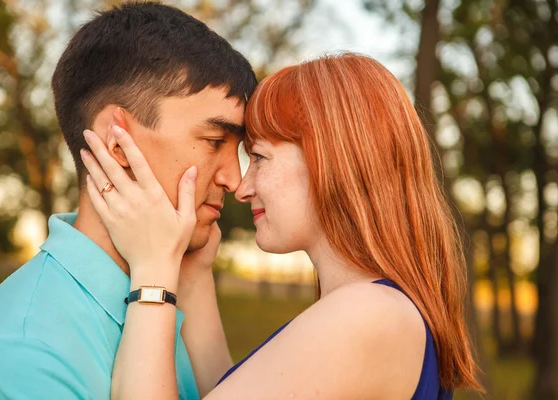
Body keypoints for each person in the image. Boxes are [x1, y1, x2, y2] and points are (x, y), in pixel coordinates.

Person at [81, 53, 484, 399]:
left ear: (329, 161)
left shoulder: (369, 315)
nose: (242, 186)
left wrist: (152, 271)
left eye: (258, 157)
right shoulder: (380, 309)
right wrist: (195, 275)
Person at [0, 3, 256, 399]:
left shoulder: (174, 288)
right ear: (117, 143)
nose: (235, 179)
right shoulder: (23, 348)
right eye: (215, 142)